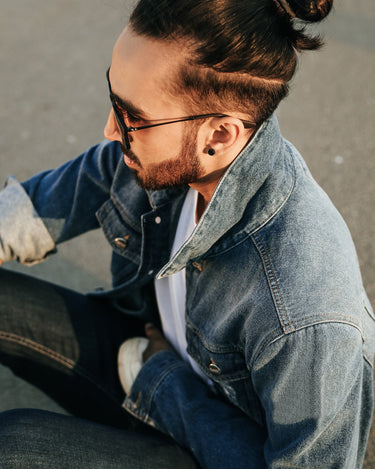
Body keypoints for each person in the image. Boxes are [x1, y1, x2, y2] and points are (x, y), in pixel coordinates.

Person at [0, 0, 374, 467]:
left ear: (219, 136)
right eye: (113, 97)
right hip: (144, 351)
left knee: (14, 447)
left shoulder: (306, 315)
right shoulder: (157, 156)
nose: (110, 129)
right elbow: (44, 205)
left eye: (132, 117)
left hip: (210, 439)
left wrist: (167, 387)